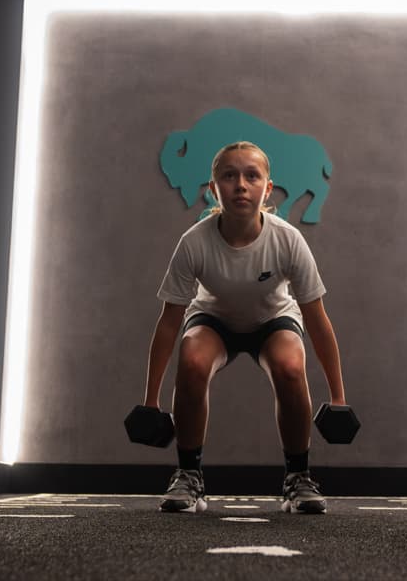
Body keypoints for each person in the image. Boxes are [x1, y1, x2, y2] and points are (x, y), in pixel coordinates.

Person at [143, 140, 347, 514]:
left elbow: (317, 320)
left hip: (272, 321)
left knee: (289, 366)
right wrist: (151, 401)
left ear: (267, 189)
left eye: (252, 176)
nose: (240, 184)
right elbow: (170, 322)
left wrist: (338, 398)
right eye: (229, 175)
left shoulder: (287, 240)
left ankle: (298, 478)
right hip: (213, 320)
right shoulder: (194, 243)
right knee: (192, 357)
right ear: (213, 188)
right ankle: (189, 476)